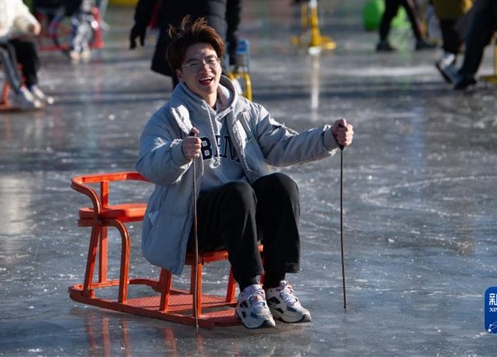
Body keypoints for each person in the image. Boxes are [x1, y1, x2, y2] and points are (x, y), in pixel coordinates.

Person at [136, 17, 354, 329]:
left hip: (242, 217)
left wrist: (328, 137)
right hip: (191, 224)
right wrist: (179, 152)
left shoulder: (245, 111)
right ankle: (250, 291)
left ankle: (275, 287)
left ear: (220, 64)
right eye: (193, 64)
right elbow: (149, 164)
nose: (205, 69)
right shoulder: (168, 119)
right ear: (180, 74)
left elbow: (283, 144)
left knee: (281, 185)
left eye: (211, 60)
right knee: (237, 192)